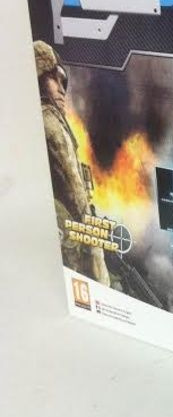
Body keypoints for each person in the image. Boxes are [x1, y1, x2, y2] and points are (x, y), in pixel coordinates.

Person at [35, 40, 110, 285]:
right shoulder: (50, 122)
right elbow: (77, 195)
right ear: (38, 80)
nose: (61, 89)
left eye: (63, 81)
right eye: (53, 79)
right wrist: (100, 275)